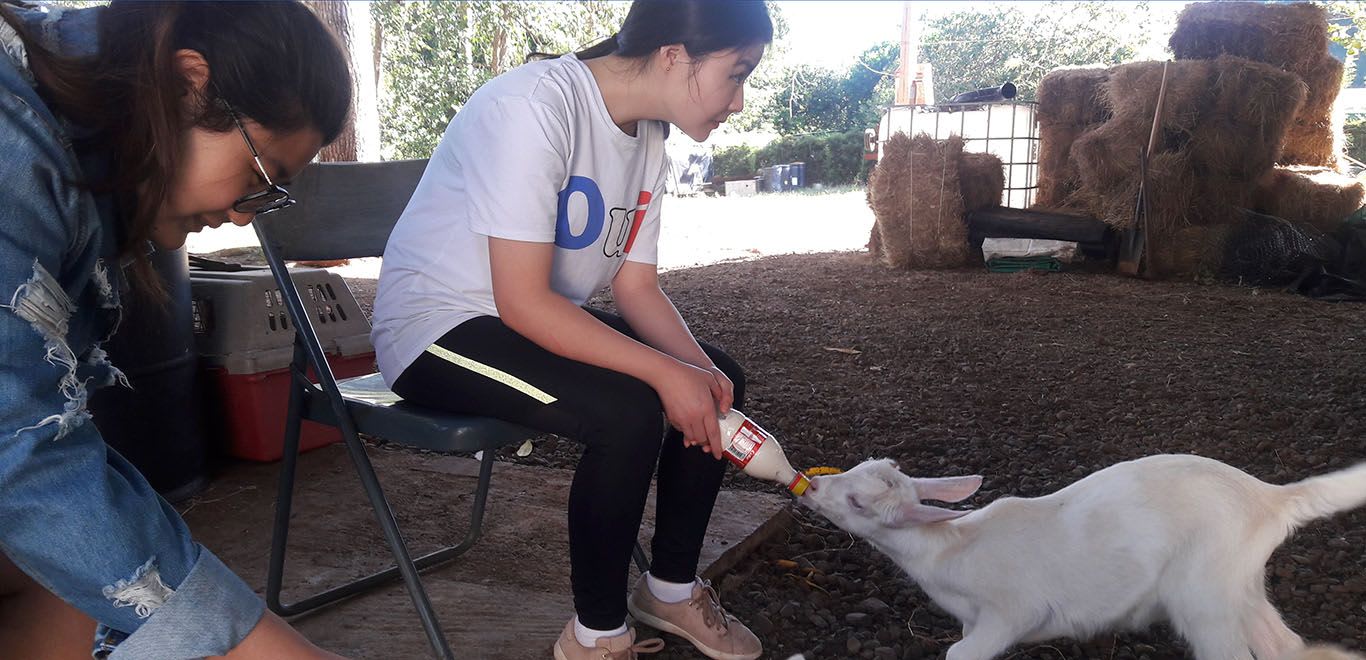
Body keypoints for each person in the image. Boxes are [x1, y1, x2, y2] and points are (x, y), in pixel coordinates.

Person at [370, 1, 773, 658]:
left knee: (717, 381)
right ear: (674, 53)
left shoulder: (648, 139)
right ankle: (596, 635)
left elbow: (635, 287)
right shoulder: (533, 106)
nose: (740, 100)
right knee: (631, 412)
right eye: (737, 73)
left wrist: (698, 374)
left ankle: (669, 589)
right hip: (437, 326)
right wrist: (665, 374)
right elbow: (524, 303)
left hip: (527, 320)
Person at [0, 1, 352, 657]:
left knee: (63, 572)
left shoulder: (76, 160)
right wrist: (252, 644)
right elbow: (17, 449)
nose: (248, 217)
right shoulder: (13, 147)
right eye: (259, 177)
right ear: (190, 83)